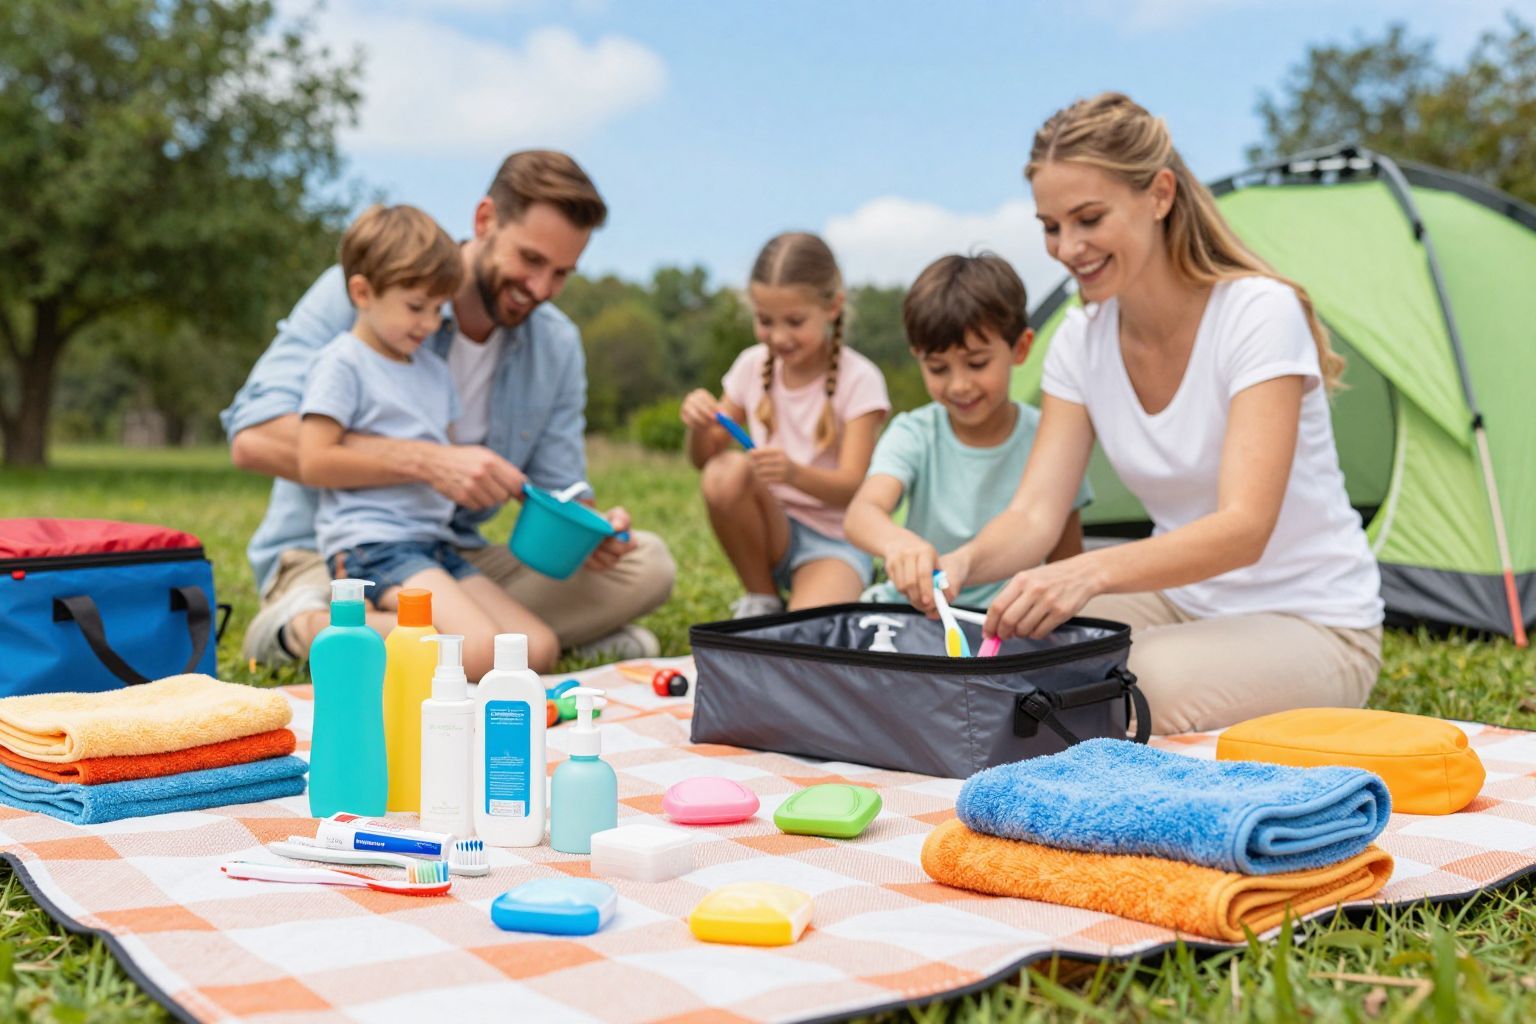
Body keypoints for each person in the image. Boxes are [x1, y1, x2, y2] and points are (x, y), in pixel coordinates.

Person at [901, 93, 1382, 734]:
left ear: (1158, 195)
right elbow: (1034, 515)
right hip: (1181, 603)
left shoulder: (1258, 314)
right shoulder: (1080, 339)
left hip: (1314, 621)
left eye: (1088, 219)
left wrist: (1088, 569)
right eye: (1050, 226)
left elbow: (1245, 526)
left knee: (1135, 682)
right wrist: (962, 563)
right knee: (1037, 656)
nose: (1067, 248)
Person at [221, 151, 675, 672]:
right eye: (530, 260)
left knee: (647, 564)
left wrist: (589, 527)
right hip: (337, 554)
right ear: (485, 221)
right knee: (483, 644)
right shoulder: (372, 281)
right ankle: (305, 628)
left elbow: (559, 484)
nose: (542, 289)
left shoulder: (556, 343)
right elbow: (251, 438)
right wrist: (430, 461)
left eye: (562, 274)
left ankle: (466, 644)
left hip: (447, 550)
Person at [298, 204, 552, 679]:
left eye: (439, 309)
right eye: (416, 307)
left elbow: (450, 460)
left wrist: (496, 481)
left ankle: (379, 633)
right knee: (475, 652)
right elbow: (313, 460)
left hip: (435, 545)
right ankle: (320, 631)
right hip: (372, 546)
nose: (431, 324)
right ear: (362, 292)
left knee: (535, 648)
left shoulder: (435, 372)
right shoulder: (342, 363)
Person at [844, 253, 1091, 609]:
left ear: (1020, 348)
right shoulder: (915, 433)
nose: (959, 385)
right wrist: (896, 543)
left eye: (977, 363)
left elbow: (1066, 564)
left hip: (1006, 625)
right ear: (918, 357)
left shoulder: (1049, 439)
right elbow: (861, 513)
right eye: (938, 368)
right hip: (915, 616)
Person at [679, 232, 891, 618]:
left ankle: (833, 589)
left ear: (833, 307)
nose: (778, 337)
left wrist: (793, 473)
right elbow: (703, 460)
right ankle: (762, 598)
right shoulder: (750, 365)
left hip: (836, 541)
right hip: (773, 532)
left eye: (794, 321)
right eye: (765, 321)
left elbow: (853, 488)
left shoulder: (860, 379)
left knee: (806, 638)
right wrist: (697, 424)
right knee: (724, 472)